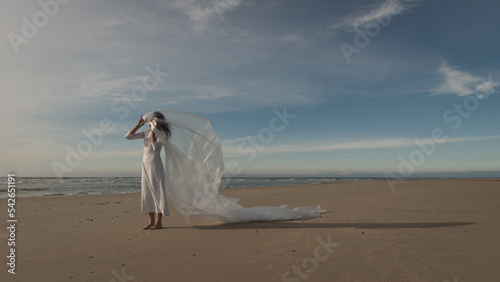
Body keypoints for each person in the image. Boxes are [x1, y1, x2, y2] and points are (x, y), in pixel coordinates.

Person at [125, 111, 172, 230]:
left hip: (155, 166)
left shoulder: (162, 134)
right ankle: (151, 221)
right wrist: (139, 125)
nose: (151, 121)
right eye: (151, 120)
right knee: (147, 193)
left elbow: (156, 148)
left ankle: (159, 222)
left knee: (158, 192)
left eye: (154, 120)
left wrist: (153, 133)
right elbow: (128, 137)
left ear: (158, 122)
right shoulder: (145, 132)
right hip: (145, 166)